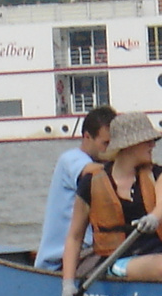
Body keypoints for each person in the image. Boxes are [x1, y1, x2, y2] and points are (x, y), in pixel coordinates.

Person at [61, 113, 162, 296]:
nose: (153, 145)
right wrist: (68, 285)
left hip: (160, 252)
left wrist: (154, 218)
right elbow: (75, 237)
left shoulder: (160, 174)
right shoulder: (91, 184)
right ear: (129, 145)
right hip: (117, 259)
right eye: (148, 141)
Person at [34, 105, 116, 269]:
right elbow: (90, 172)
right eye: (105, 143)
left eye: (114, 144)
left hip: (90, 252)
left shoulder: (105, 164)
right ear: (87, 137)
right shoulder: (71, 159)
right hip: (60, 261)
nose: (110, 149)